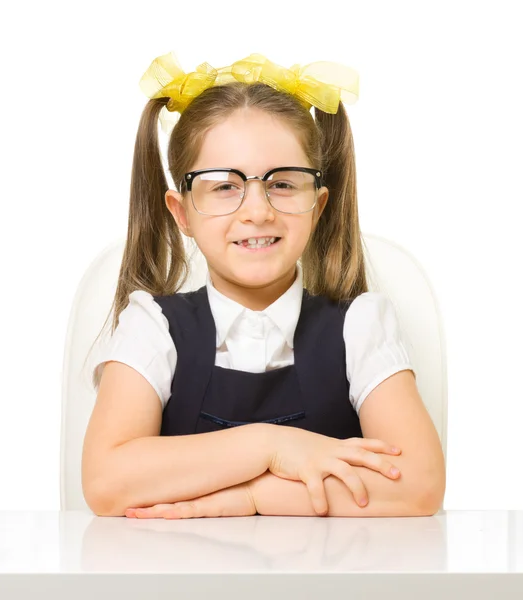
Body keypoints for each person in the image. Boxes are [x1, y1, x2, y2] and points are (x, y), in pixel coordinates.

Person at [82, 52, 446, 520]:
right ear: (181, 213)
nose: (257, 211)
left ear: (317, 206)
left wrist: (251, 498)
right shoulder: (152, 327)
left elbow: (419, 486)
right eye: (223, 186)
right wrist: (271, 446)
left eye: (283, 184)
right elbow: (107, 483)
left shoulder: (360, 326)